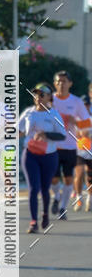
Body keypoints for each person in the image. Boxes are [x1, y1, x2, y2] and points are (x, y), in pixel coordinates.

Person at [18, 83, 64, 233]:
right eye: (36, 94)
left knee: (45, 189)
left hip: (49, 156)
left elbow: (62, 135)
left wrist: (46, 135)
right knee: (33, 188)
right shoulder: (28, 113)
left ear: (49, 97)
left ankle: (45, 214)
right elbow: (17, 131)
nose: (38, 97)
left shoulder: (54, 114)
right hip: (30, 155)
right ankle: (33, 222)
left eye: (41, 94)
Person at [49, 70, 89, 219]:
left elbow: (86, 123)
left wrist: (75, 122)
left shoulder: (76, 101)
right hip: (52, 146)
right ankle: (57, 198)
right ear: (54, 84)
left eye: (64, 81)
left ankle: (62, 207)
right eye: (58, 81)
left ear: (70, 84)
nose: (61, 84)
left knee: (68, 179)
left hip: (70, 146)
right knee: (53, 179)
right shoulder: (49, 100)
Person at [73, 105, 92, 212]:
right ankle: (79, 197)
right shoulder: (76, 120)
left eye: (86, 106)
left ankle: (90, 198)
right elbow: (72, 135)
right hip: (79, 152)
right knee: (79, 174)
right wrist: (80, 134)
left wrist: (89, 135)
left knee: (90, 178)